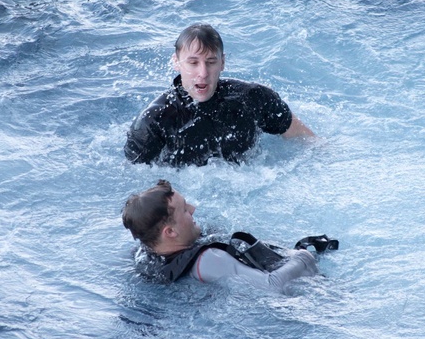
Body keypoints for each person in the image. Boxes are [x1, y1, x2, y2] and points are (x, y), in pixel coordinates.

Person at [125, 24, 315, 166]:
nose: (203, 73)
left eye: (211, 62)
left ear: (222, 63)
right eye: (193, 63)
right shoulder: (154, 122)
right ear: (176, 62)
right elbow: (140, 196)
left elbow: (306, 139)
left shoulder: (253, 98)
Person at [122, 180, 333, 292]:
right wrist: (303, 256)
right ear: (170, 232)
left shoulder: (146, 253)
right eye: (185, 210)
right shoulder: (209, 260)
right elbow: (272, 286)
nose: (193, 209)